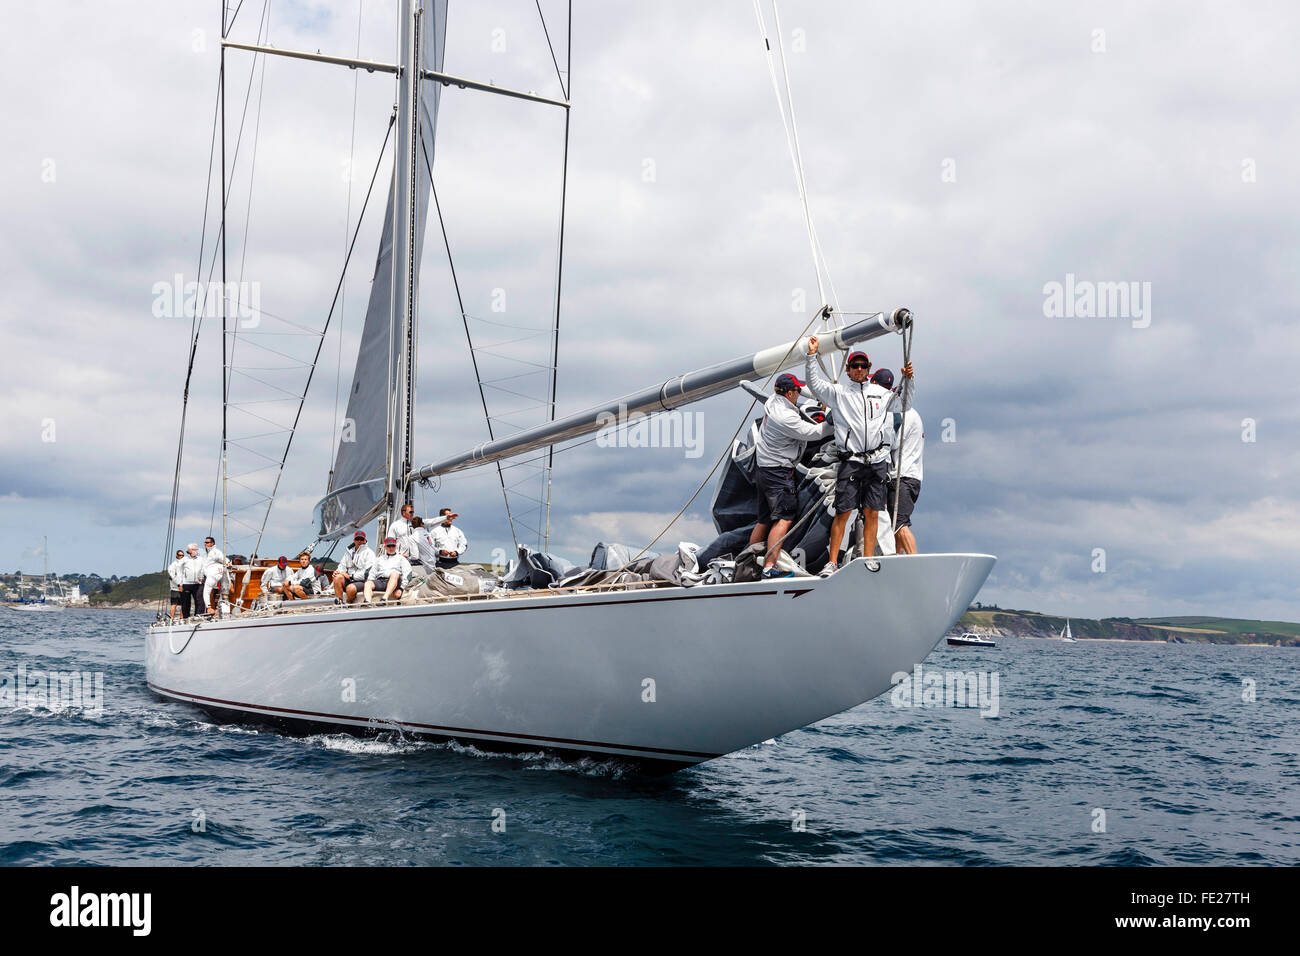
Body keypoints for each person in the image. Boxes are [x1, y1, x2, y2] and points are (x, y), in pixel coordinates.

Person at [804, 337, 913, 576]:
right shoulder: (838, 393)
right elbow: (814, 384)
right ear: (848, 370)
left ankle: (868, 558)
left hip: (876, 462)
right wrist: (811, 356)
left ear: (869, 368)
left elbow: (903, 404)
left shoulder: (881, 394)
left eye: (864, 366)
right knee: (843, 512)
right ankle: (832, 562)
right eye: (855, 366)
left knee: (873, 511)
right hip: (851, 461)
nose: (860, 369)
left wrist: (908, 379)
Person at [748, 372, 832, 578]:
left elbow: (800, 388)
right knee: (784, 518)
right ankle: (769, 567)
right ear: (788, 393)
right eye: (796, 392)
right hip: (779, 472)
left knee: (764, 518)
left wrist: (822, 396)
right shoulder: (785, 417)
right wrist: (833, 420)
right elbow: (814, 433)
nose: (799, 394)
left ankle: (749, 562)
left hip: (764, 468)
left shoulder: (773, 400)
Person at [879, 369, 923, 555]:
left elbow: (893, 443)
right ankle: (900, 560)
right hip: (910, 477)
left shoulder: (906, 415)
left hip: (903, 477)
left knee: (899, 523)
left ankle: (915, 563)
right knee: (895, 524)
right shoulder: (914, 414)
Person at [365, 536, 411, 603]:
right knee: (368, 583)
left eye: (393, 546)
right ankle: (367, 602)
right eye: (389, 546)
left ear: (396, 546)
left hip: (395, 581)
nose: (391, 548)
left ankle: (384, 598)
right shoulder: (379, 559)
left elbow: (407, 573)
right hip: (381, 581)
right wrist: (370, 581)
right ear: (385, 547)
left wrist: (401, 588)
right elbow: (372, 573)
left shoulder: (401, 559)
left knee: (394, 573)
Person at [333, 531, 375, 604]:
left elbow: (367, 573)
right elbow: (342, 566)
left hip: (362, 581)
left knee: (350, 588)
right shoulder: (348, 552)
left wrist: (351, 576)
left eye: (361, 539)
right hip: (349, 579)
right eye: (357, 539)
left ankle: (348, 602)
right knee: (337, 577)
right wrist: (337, 572)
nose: (359, 541)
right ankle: (339, 603)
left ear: (365, 541)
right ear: (354, 540)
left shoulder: (370, 553)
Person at [201, 536, 227, 614]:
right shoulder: (206, 553)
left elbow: (223, 559)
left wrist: (227, 562)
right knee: (212, 593)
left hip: (217, 576)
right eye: (205, 542)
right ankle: (211, 609)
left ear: (212, 543)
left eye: (207, 542)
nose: (205, 544)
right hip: (211, 575)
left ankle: (214, 609)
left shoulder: (216, 551)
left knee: (217, 592)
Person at [180, 542, 203, 619]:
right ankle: (186, 618)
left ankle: (197, 617)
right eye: (193, 549)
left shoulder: (201, 559)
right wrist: (179, 584)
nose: (195, 551)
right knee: (186, 602)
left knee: (199, 601)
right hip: (186, 583)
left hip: (197, 583)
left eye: (196, 549)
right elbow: (179, 572)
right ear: (189, 550)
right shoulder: (184, 560)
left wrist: (201, 576)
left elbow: (203, 569)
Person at [167, 550, 185, 621]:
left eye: (183, 555)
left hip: (183, 587)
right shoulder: (172, 565)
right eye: (180, 555)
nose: (181, 557)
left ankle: (182, 619)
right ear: (176, 555)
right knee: (174, 604)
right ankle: (171, 619)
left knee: (183, 605)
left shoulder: (184, 565)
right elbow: (173, 577)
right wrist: (179, 585)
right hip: (175, 588)